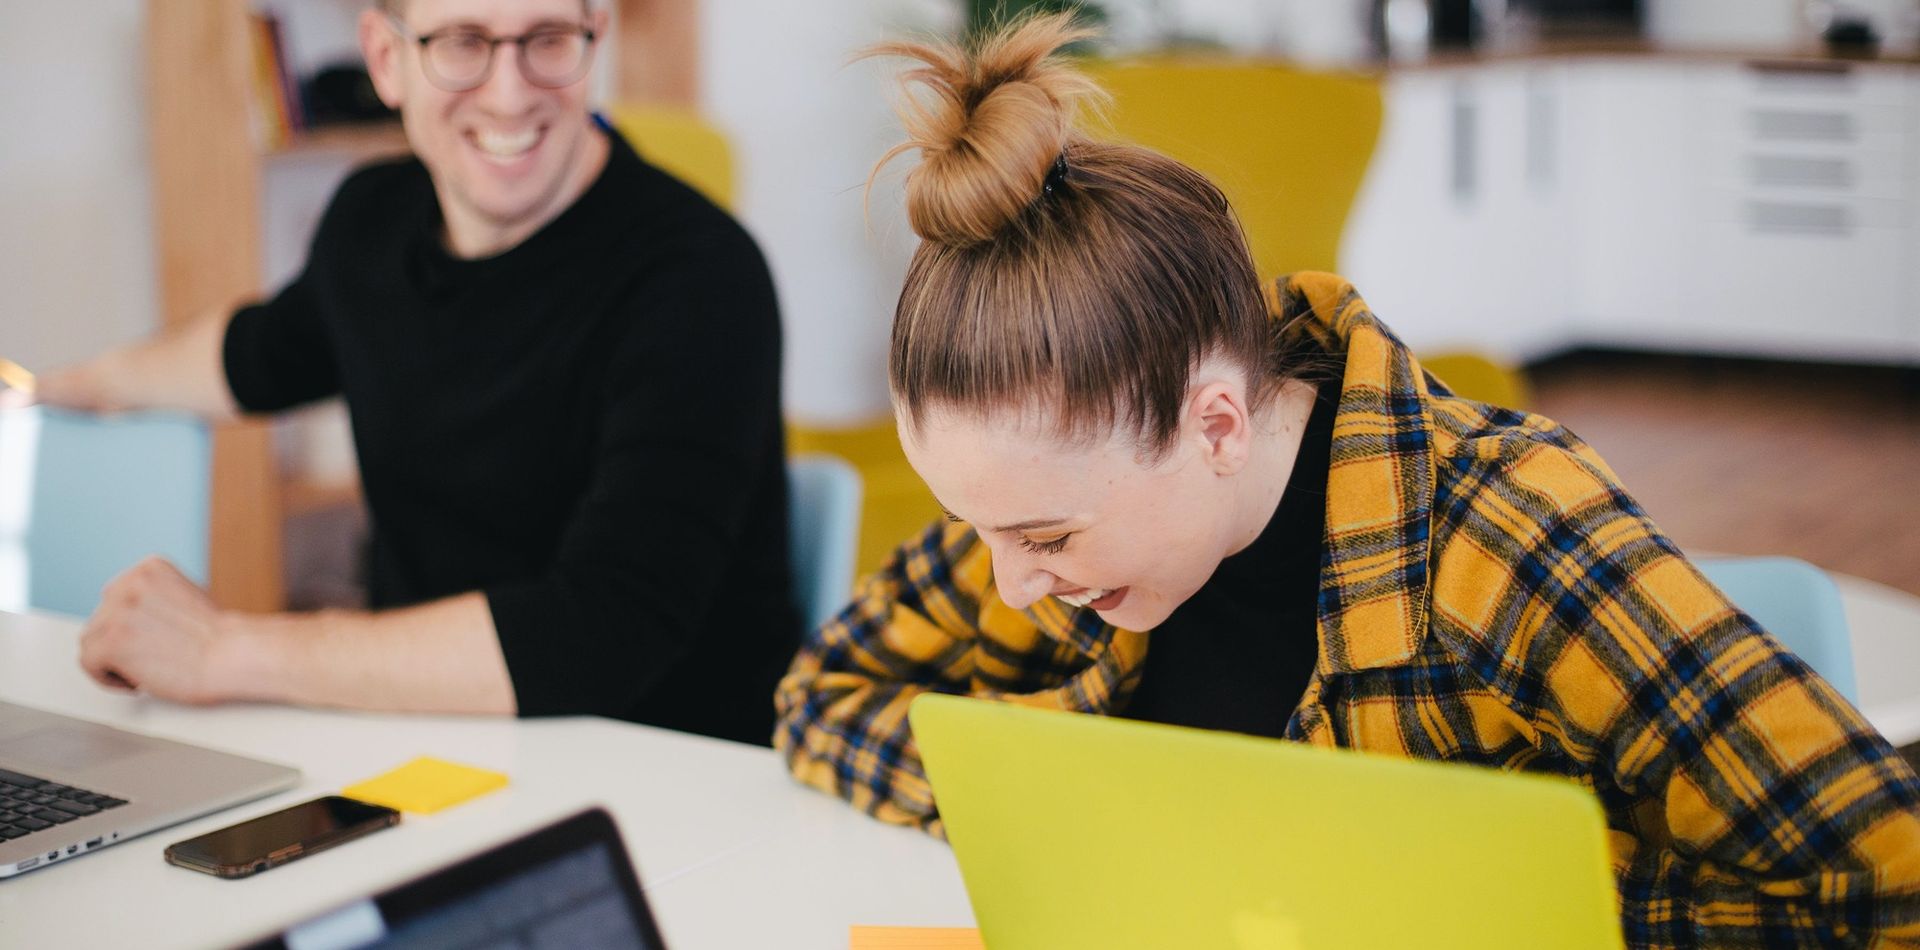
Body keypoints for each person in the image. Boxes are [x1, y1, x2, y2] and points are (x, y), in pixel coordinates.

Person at [773, 14, 1920, 944]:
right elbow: (822, 698)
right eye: (980, 529)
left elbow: (1882, 882)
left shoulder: (1508, 534)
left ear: (1215, 420)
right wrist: (1079, 810)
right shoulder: (1053, 526)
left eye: (1048, 538)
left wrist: (1479, 896)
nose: (1012, 583)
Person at [29, 0, 799, 746]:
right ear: (387, 59)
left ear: (594, 39)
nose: (508, 92)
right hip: (431, 746)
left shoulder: (699, 276)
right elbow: (255, 355)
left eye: (548, 38)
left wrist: (223, 649)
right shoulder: (372, 221)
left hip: (670, 782)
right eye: (463, 41)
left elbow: (599, 633)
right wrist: (71, 384)